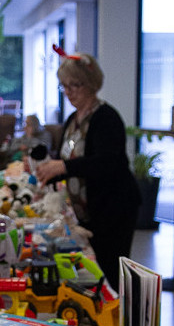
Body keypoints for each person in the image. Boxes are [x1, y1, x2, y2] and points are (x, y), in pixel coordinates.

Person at [35, 49, 141, 291]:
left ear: (92, 84)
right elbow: (72, 162)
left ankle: (115, 320)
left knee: (110, 269)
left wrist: (62, 166)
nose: (69, 92)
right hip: (90, 209)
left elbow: (108, 163)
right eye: (65, 86)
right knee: (96, 268)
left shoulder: (106, 117)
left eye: (75, 85)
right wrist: (51, 171)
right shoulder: (73, 118)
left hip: (113, 208)